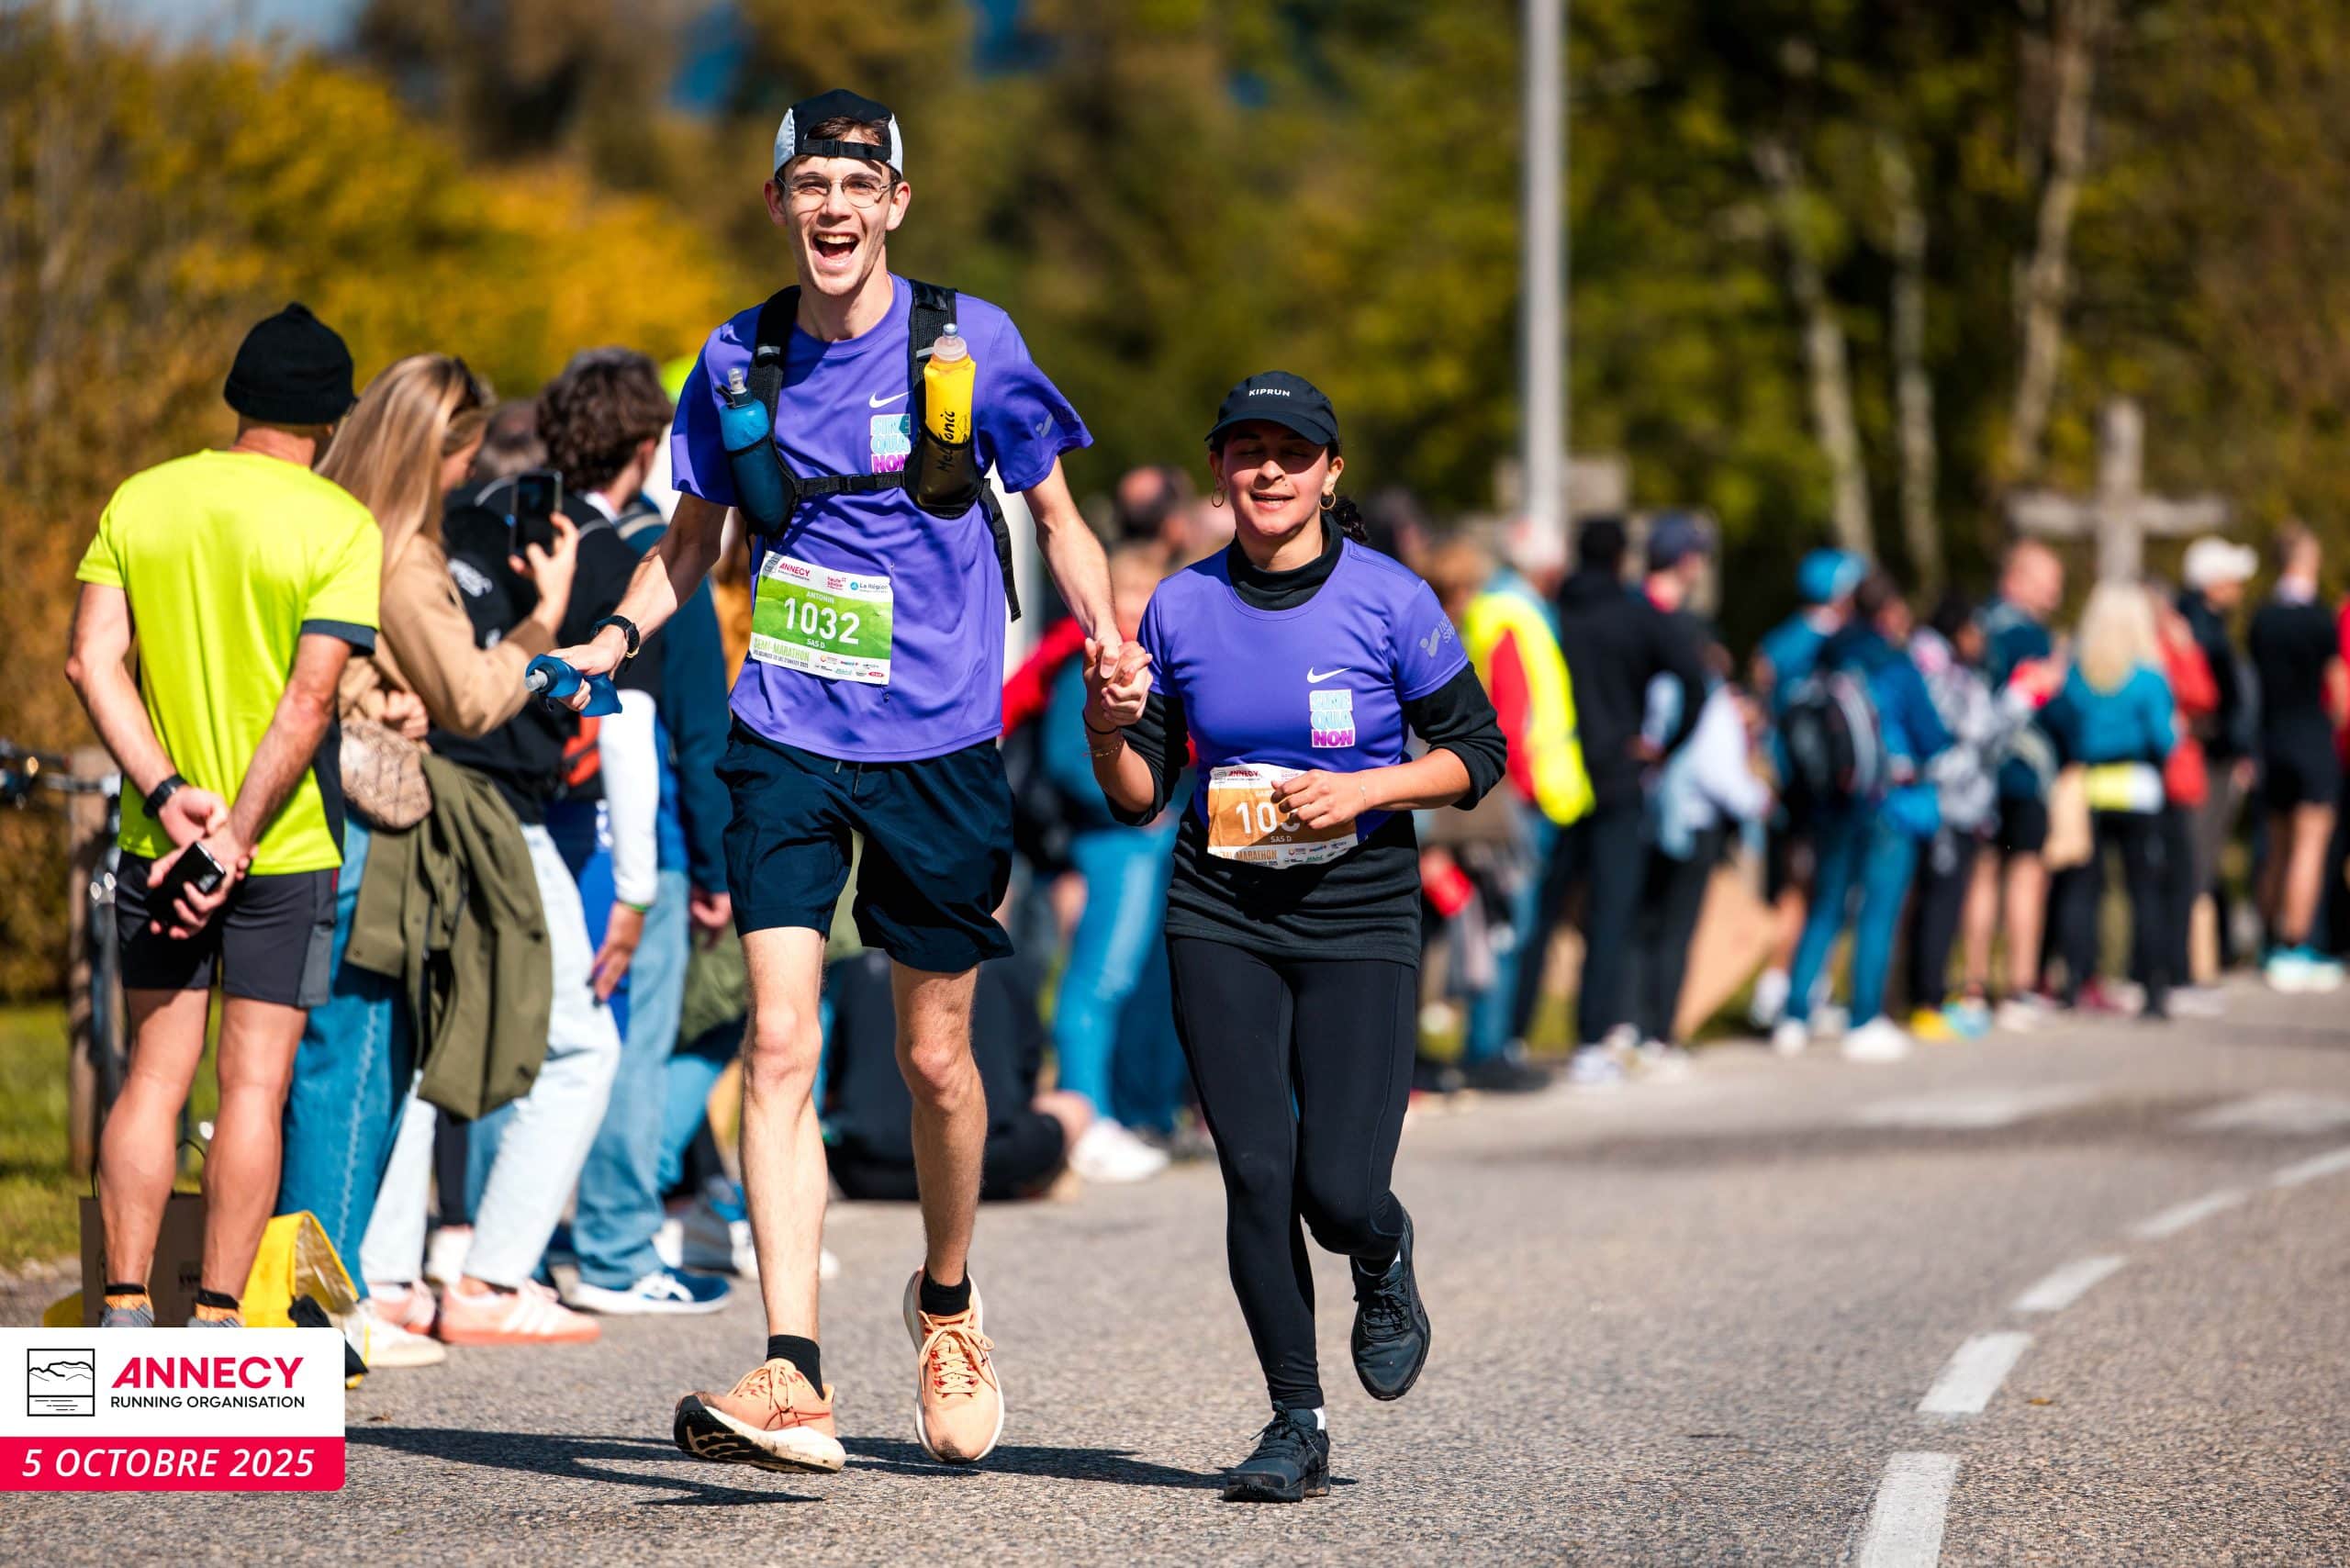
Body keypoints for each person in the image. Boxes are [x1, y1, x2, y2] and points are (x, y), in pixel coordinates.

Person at [551, 89, 1115, 1473]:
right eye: (809, 183)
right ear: (778, 205)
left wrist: (1108, 644)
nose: (833, 207)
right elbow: (687, 547)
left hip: (934, 741)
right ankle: (792, 1368)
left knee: (935, 1060)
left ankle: (948, 1298)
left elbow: (1056, 512)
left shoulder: (970, 343)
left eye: (857, 182)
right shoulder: (735, 360)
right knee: (782, 1044)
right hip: (787, 732)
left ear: (896, 203)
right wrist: (613, 639)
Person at [1085, 372, 1506, 1503]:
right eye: (1243, 451)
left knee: (1336, 1186)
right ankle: (1294, 1419)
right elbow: (1137, 793)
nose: (1264, 471)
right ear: (1219, 473)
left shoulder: (1389, 598)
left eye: (1289, 451)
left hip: (1358, 910)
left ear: (1330, 472)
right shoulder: (1177, 606)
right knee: (1256, 1174)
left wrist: (1365, 789)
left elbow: (1477, 752)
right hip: (1220, 906)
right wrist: (1104, 721)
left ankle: (1380, 1245)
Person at [67, 304, 376, 1328]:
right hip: (280, 846)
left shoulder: (143, 499)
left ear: (238, 397)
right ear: (330, 419)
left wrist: (165, 794)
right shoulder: (339, 524)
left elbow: (91, 661)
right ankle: (213, 1323)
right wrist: (237, 833)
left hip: (159, 844)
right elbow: (310, 699)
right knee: (252, 1086)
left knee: (154, 1076)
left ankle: (122, 1305)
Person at [275, 353, 578, 1365]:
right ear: (429, 449)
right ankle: (319, 1311)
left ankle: (318, 1297)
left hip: (312, 813)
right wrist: (545, 621)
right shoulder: (398, 551)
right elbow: (473, 697)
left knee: (331, 1063)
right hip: (368, 834)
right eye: (461, 454)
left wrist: (374, 692)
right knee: (357, 1064)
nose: (467, 475)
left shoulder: (317, 520)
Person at [1524, 515, 1707, 1085]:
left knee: (1541, 913)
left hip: (1553, 779)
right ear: (1622, 557)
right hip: (1619, 778)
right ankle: (1592, 1037)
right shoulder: (1636, 616)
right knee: (1611, 913)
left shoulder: (1553, 612)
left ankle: (1506, 1036)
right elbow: (1696, 680)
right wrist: (1664, 748)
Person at [1039, 543, 1186, 1181]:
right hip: (1112, 844)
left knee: (1120, 983)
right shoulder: (1091, 664)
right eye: (1126, 595)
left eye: (1147, 597)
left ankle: (1108, 1113)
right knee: (1096, 983)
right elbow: (1066, 758)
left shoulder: (1157, 667)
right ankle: (1086, 1117)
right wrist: (1135, 803)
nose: (1136, 609)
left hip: (1143, 845)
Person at [1773, 573, 1953, 1063]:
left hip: (1832, 801)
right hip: (1889, 801)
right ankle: (1864, 1016)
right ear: (1888, 613)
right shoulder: (1894, 665)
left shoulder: (1824, 657)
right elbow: (1932, 734)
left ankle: (1793, 1015)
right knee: (1878, 911)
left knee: (1826, 908)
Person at [1438, 531, 1592, 1094]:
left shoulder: (1495, 613)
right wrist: (1522, 786)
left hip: (1511, 792)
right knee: (1506, 923)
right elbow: (1511, 712)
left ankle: (1488, 1044)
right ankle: (1488, 1048)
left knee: (1493, 924)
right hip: (1520, 797)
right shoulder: (1511, 614)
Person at [824, 950, 1091, 1200]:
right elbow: (1028, 1074)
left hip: (866, 1172)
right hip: (986, 1166)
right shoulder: (1006, 965)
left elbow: (834, 1083)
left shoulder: (857, 968)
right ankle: (1024, 1181)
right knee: (1074, 1108)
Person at [1904, 595, 2049, 1041]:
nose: (1980, 640)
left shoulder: (1945, 669)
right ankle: (1926, 1000)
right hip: (1948, 802)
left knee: (1940, 902)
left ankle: (1929, 995)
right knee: (1939, 905)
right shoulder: (1939, 672)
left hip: (1957, 802)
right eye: (1973, 631)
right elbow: (1971, 736)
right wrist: (2020, 700)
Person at [1630, 640, 1770, 1069]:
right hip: (1695, 824)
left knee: (1648, 928)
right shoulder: (1710, 700)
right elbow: (1717, 771)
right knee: (1678, 931)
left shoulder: (1657, 690)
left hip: (1655, 820)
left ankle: (1634, 1025)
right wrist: (1757, 799)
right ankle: (1662, 1033)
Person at [2042, 583, 2178, 1020]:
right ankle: (2154, 986)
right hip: (2137, 784)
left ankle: (2075, 980)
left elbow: (2061, 719)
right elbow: (2165, 738)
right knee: (2144, 891)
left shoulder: (2079, 674)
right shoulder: (2148, 678)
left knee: (2083, 889)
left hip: (2091, 785)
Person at [1748, 548, 1866, 1030]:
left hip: (1786, 782)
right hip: (1827, 789)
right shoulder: (1841, 644)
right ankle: (1794, 987)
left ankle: (1783, 987)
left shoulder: (1777, 643)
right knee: (1826, 891)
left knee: (1796, 888)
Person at [1961, 540, 2067, 1028]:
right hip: (2023, 773)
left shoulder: (1976, 628)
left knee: (1981, 876)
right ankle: (2019, 986)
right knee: (2024, 877)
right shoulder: (2031, 636)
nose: (2055, 592)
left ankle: (1973, 985)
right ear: (2018, 579)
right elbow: (2056, 709)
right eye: (2047, 581)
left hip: (1975, 775)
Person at [2247, 524, 2345, 991]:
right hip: (2310, 738)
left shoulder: (2261, 618)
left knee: (2277, 847)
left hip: (2271, 740)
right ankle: (2294, 945)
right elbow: (2340, 691)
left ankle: (2268, 940)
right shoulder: (2318, 620)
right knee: (2309, 845)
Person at [2177, 537, 2257, 969]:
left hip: (2212, 754)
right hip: (2206, 759)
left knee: (2203, 859)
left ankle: (2197, 957)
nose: (2239, 588)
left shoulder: (2204, 623)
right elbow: (2214, 702)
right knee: (2197, 859)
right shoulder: (2200, 629)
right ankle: (2190, 961)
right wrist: (2236, 745)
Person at [2151, 585, 2222, 1016]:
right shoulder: (2157, 652)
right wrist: (2186, 650)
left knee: (2177, 880)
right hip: (2168, 778)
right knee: (2175, 881)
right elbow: (2201, 695)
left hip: (2177, 778)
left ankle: (2172, 971)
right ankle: (2171, 974)